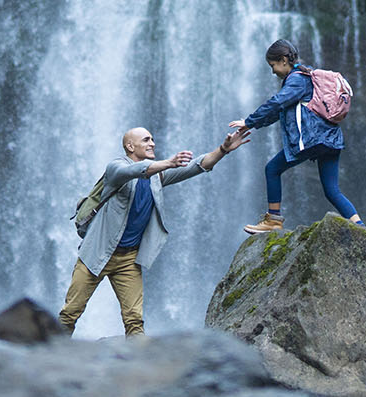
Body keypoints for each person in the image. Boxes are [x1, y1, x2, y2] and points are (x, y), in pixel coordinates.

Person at [60, 123, 250, 335]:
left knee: (135, 321)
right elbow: (133, 171)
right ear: (130, 147)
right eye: (146, 140)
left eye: (152, 139)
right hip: (95, 254)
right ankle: (47, 357)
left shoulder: (156, 178)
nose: (152, 143)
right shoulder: (115, 169)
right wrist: (168, 163)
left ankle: (140, 365)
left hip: (128, 260)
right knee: (70, 313)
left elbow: (197, 166)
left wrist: (222, 150)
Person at [230, 38, 363, 234]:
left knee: (272, 169)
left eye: (273, 65)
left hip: (312, 140)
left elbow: (276, 103)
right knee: (331, 190)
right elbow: (279, 111)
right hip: (331, 140)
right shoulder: (306, 78)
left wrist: (249, 121)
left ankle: (273, 220)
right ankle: (360, 227)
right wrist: (254, 124)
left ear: (284, 60)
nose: (273, 71)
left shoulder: (297, 79)